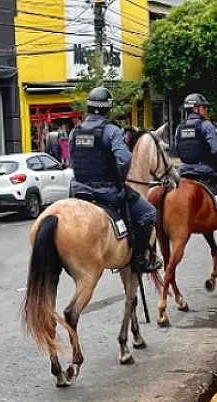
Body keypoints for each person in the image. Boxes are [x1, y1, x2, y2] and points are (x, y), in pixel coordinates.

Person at [69, 86, 162, 273]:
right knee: (148, 213)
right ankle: (139, 259)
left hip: (78, 192)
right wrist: (119, 179)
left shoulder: (75, 131)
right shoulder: (111, 131)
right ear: (108, 108)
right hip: (106, 192)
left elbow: (72, 159)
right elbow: (125, 159)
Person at [174, 92, 217, 225]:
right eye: (204, 107)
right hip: (205, 169)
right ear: (195, 109)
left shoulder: (180, 127)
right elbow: (215, 150)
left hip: (183, 170)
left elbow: (175, 150)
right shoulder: (206, 125)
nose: (206, 110)